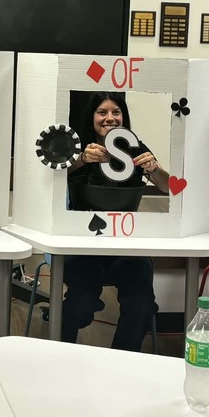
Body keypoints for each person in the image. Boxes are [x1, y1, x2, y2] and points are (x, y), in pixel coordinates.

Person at [60, 91, 168, 352]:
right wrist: (81, 159)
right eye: (102, 112)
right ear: (92, 117)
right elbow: (53, 177)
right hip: (83, 247)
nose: (110, 118)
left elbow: (168, 187)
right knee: (80, 306)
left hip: (126, 245)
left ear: (124, 117)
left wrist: (154, 169)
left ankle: (122, 358)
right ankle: (62, 354)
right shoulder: (78, 147)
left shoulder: (135, 147)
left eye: (116, 112)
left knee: (141, 304)